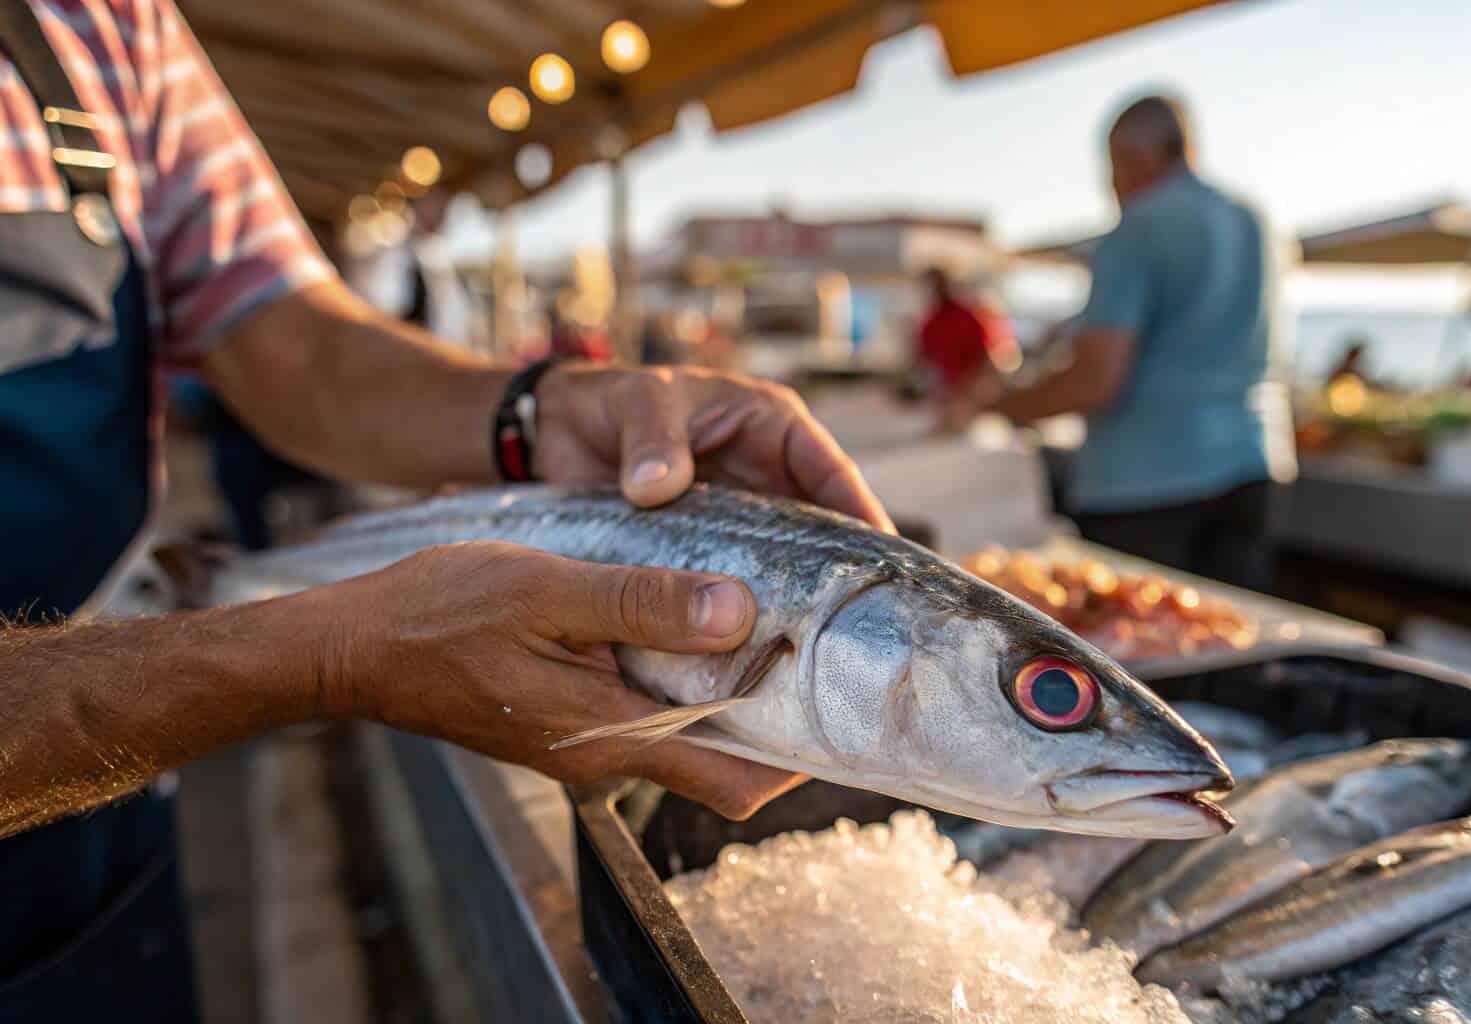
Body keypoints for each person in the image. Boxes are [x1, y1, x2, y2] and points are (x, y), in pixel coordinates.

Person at [0, 2, 891, 1019]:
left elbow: (284, 332)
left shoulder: (97, 23)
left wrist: (535, 408)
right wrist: (327, 653)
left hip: (103, 844)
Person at [990, 93, 1294, 590]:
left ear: (1136, 157)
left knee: (1138, 652)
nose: (1110, 185)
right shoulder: (1255, 220)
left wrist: (1003, 406)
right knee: (1230, 645)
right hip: (1255, 464)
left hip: (1146, 487)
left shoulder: (1137, 229)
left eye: (1111, 168)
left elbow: (1095, 381)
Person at [914, 266, 1016, 432]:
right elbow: (924, 357)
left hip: (972, 387)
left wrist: (969, 386)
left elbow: (985, 353)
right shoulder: (931, 322)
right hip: (949, 389)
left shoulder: (967, 315)